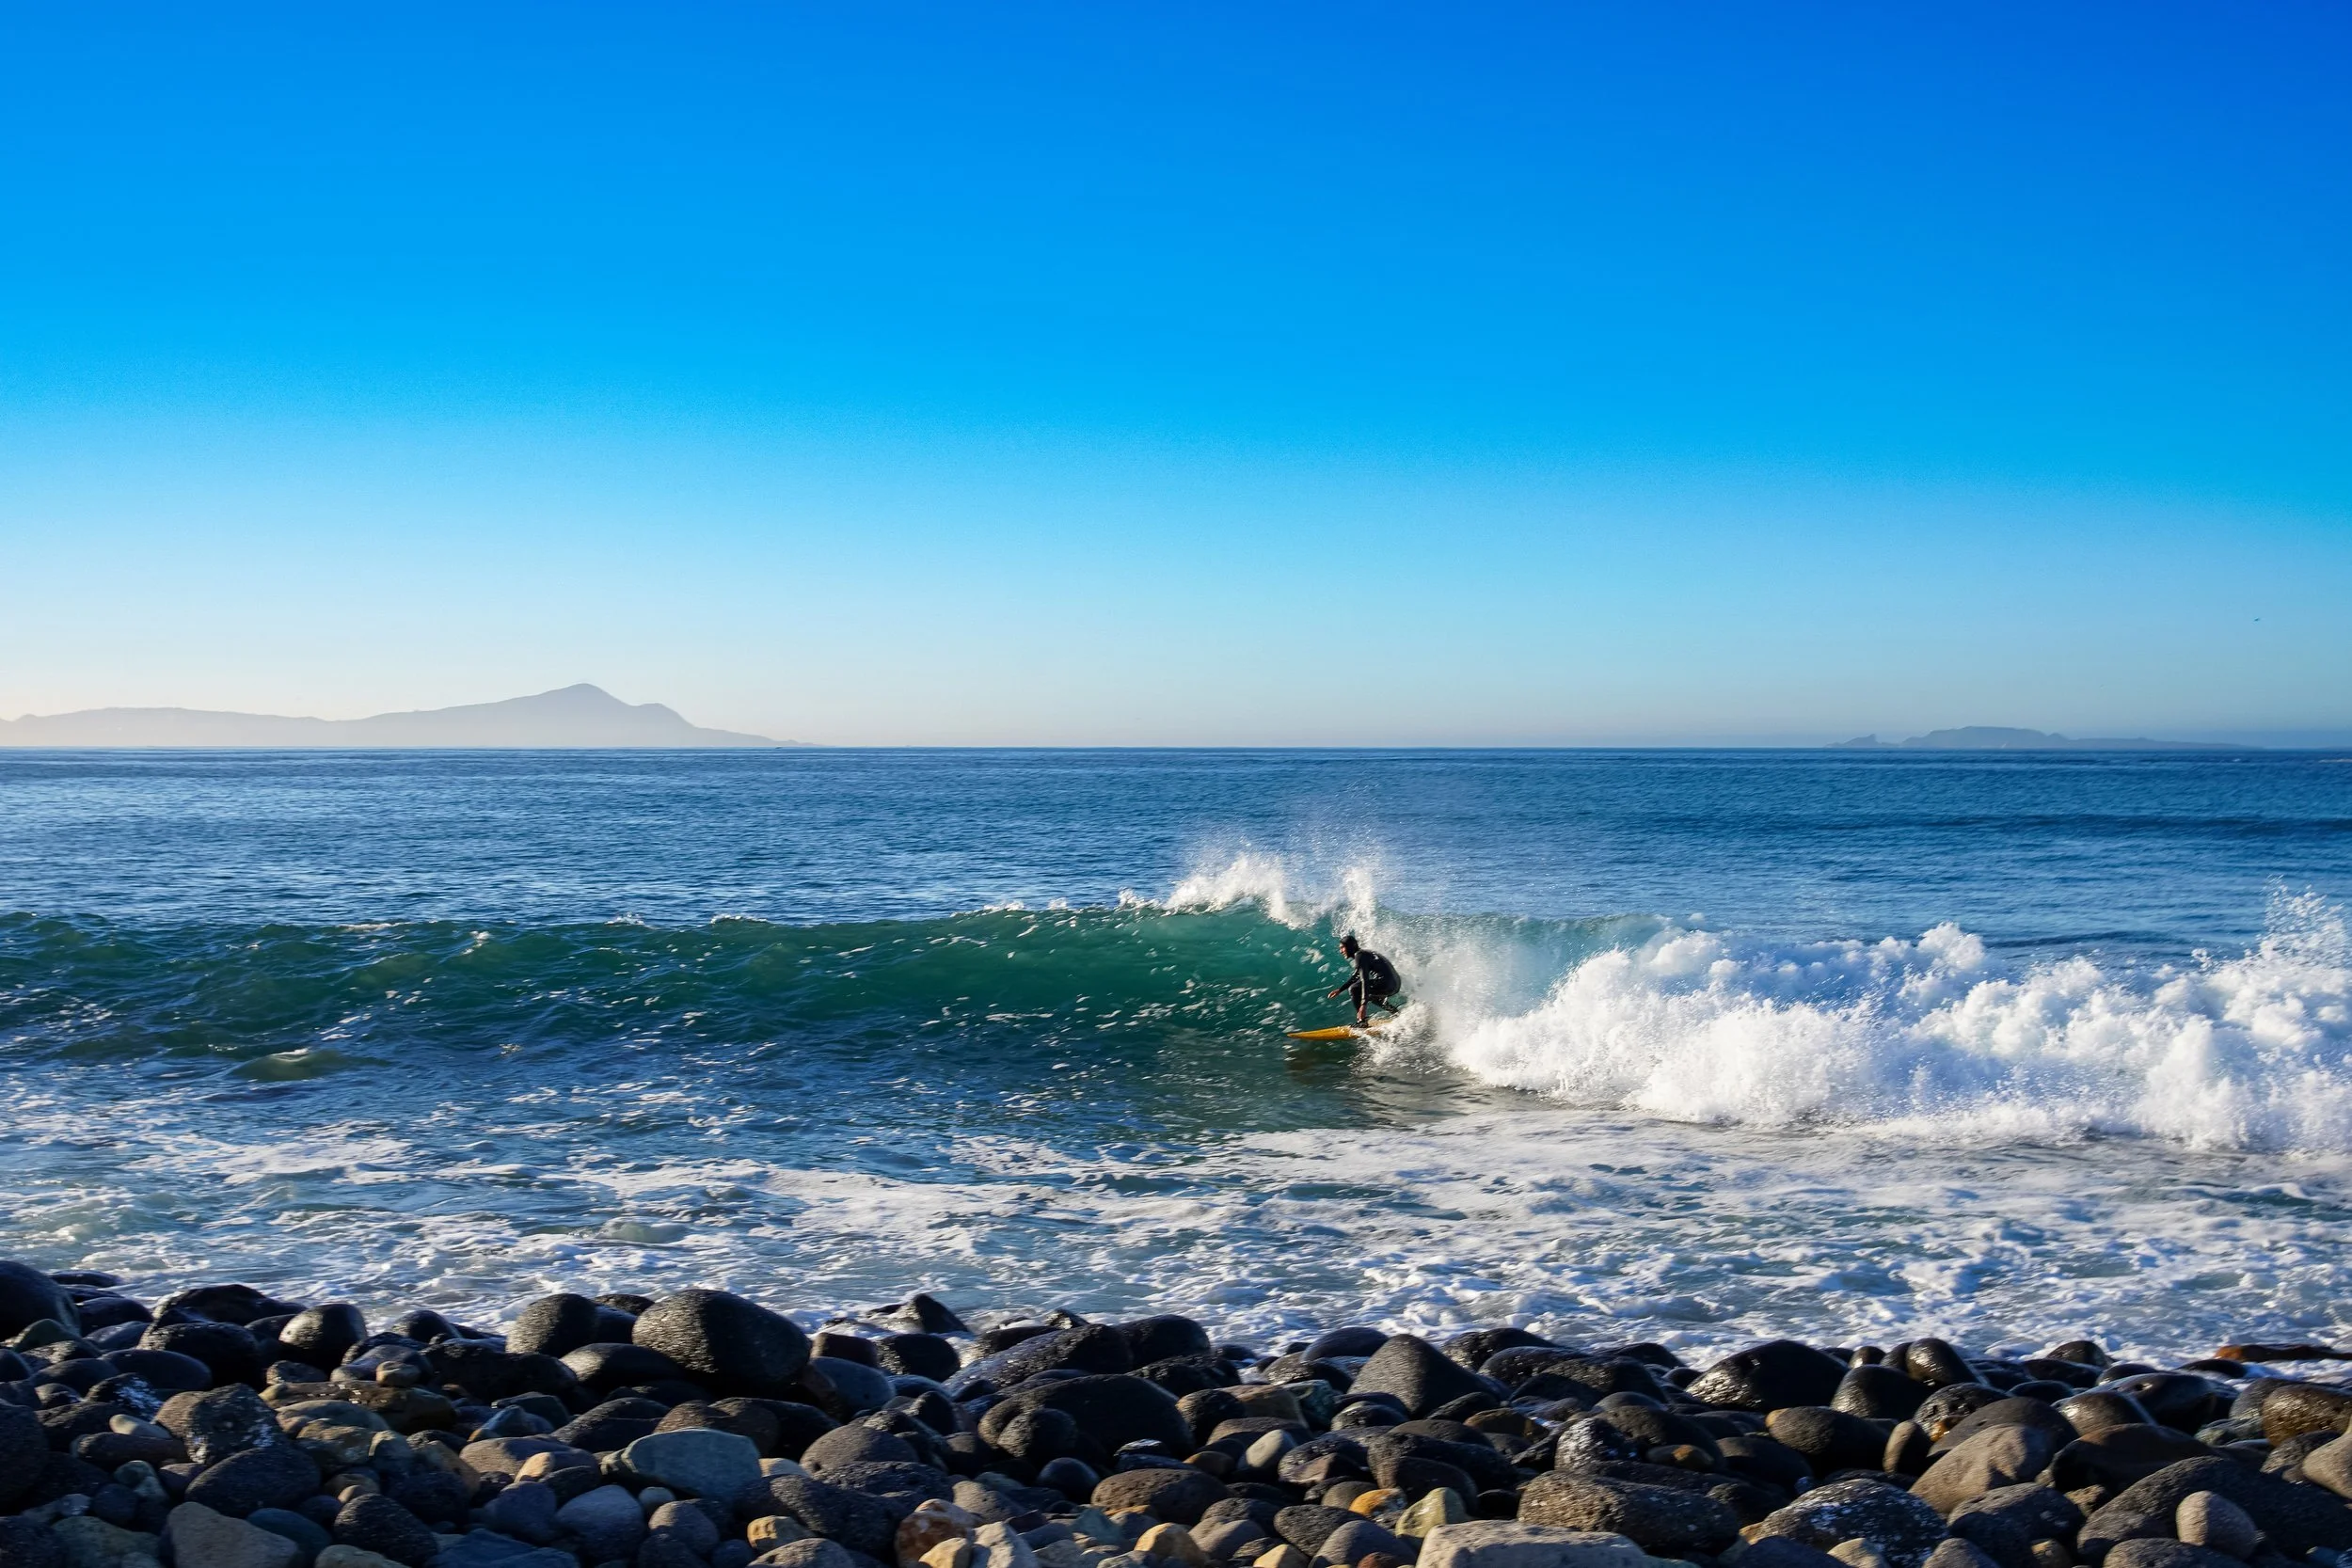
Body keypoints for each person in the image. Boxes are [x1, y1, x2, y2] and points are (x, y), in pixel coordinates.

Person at [1327, 933, 1403, 1025]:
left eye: (1342, 947)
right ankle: (1397, 1014)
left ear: (1350, 947)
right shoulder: (1365, 954)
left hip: (1386, 984)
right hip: (1395, 984)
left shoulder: (1360, 955)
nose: (1341, 951)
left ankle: (1362, 1022)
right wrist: (1340, 990)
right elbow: (1356, 976)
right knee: (1374, 998)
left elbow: (1364, 980)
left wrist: (1363, 1006)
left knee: (1354, 988)